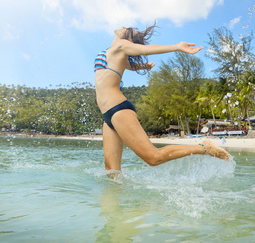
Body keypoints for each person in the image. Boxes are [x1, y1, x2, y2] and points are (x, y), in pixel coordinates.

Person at [94, 23, 230, 174]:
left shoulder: (121, 45)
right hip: (107, 116)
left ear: (128, 39)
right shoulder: (114, 51)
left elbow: (146, 49)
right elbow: (128, 66)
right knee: (111, 172)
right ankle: (113, 198)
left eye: (129, 30)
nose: (124, 26)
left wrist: (177, 46)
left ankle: (204, 148)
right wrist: (143, 67)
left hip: (117, 109)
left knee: (153, 157)